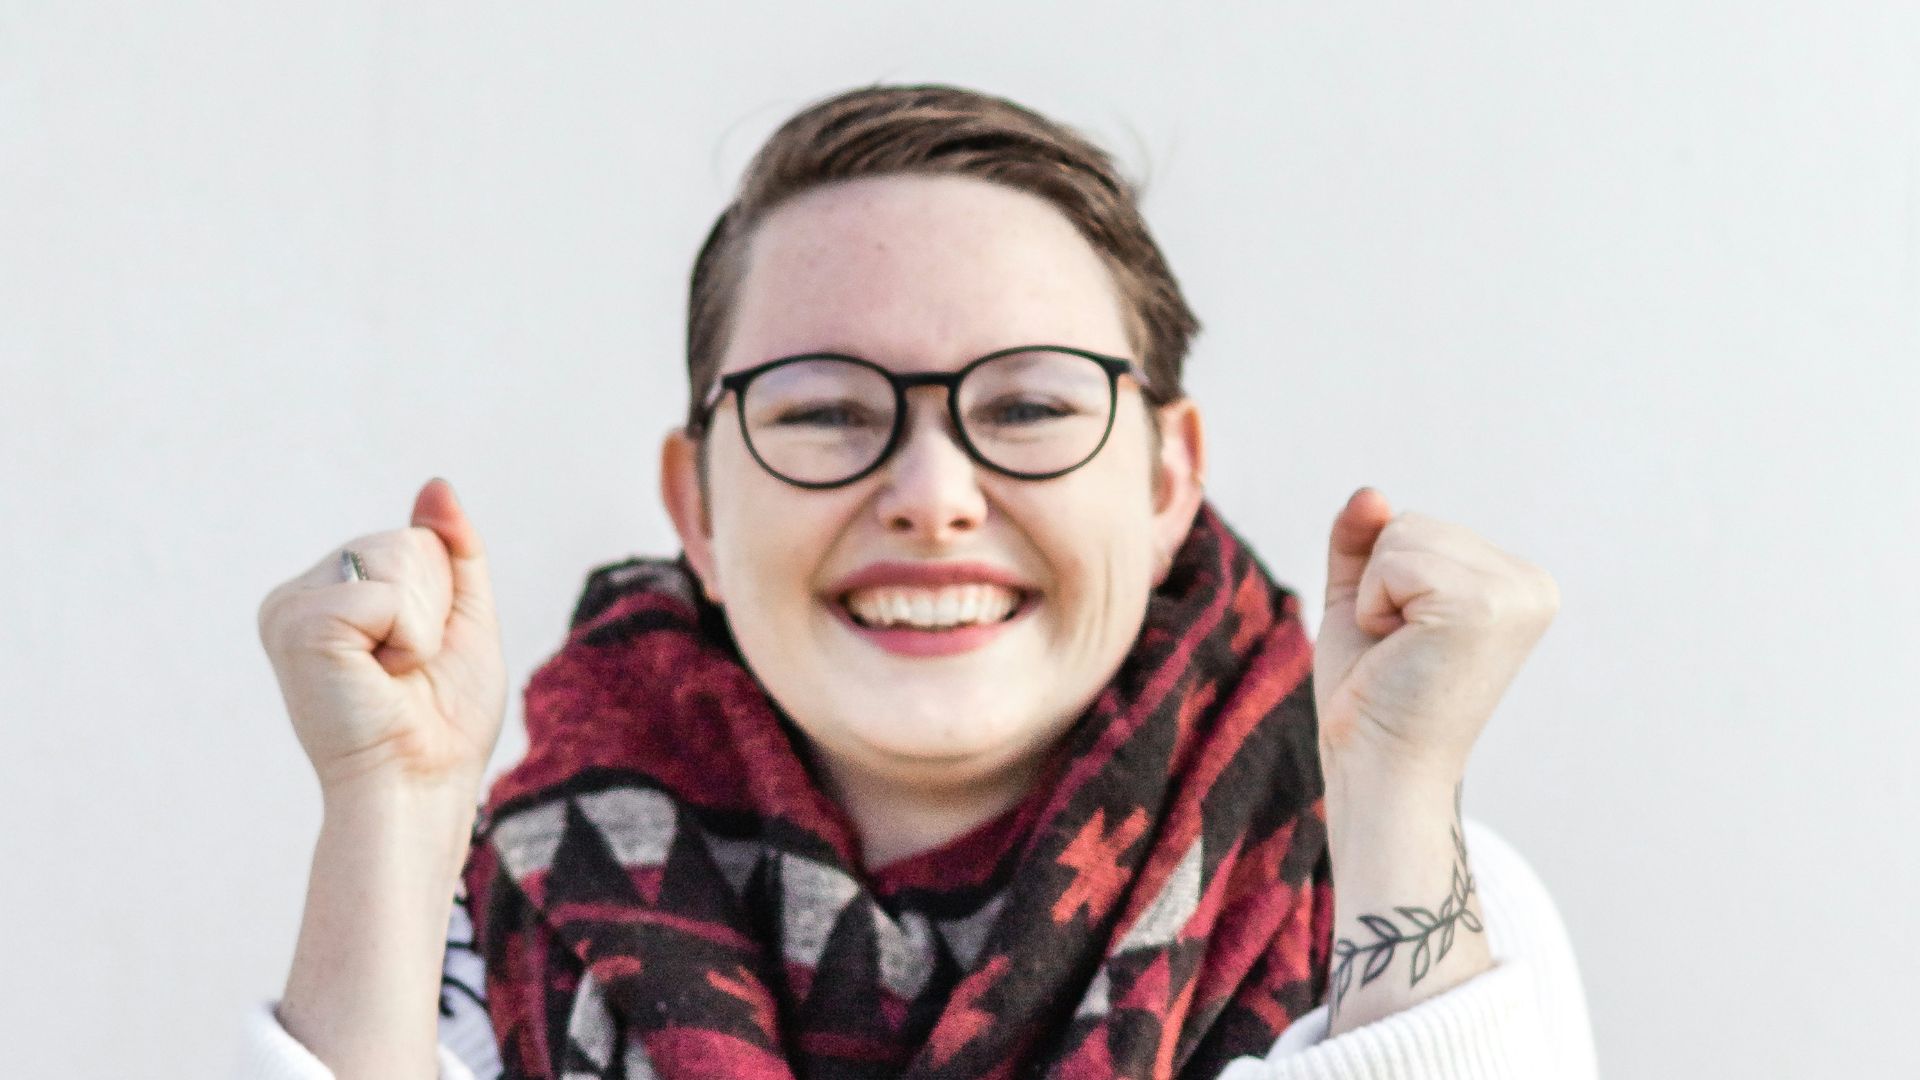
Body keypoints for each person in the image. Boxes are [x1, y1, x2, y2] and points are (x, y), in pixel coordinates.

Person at [234, 84, 1596, 1079]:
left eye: (1028, 408)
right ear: (696, 502)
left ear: (1167, 477)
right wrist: (393, 816)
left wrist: (1398, 794)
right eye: (823, 411)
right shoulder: (474, 916)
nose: (933, 494)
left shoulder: (1397, 893)